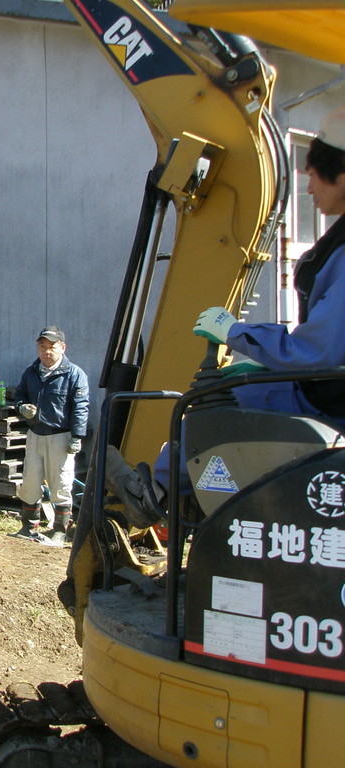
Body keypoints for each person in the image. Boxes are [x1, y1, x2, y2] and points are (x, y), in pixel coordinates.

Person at [109, 106, 345, 522]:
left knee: (203, 408)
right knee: (234, 383)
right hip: (326, 391)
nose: (308, 188)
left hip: (323, 397)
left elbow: (319, 350)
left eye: (314, 173)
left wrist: (235, 331)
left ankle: (154, 496)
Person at [14, 326, 89, 545]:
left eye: (52, 347)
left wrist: (77, 436)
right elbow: (20, 395)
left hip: (61, 437)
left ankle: (60, 530)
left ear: (62, 348)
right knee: (30, 481)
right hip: (35, 434)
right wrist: (21, 408)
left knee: (61, 483)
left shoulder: (74, 374)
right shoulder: (31, 372)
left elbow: (81, 407)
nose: (47, 352)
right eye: (43, 347)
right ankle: (28, 526)